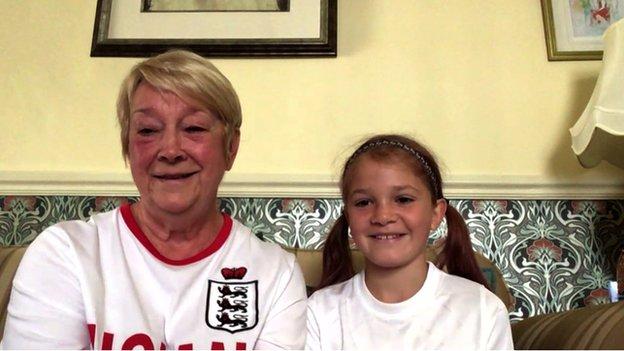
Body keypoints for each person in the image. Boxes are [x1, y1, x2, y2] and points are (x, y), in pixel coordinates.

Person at [1, 50, 307, 349]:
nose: (170, 149)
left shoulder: (276, 274)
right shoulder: (64, 253)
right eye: (148, 130)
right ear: (127, 147)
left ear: (231, 147)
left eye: (194, 128)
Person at [305, 134, 513, 350]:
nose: (383, 216)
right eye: (364, 202)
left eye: (403, 200)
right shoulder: (319, 313)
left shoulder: (482, 310)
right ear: (348, 216)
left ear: (435, 214)